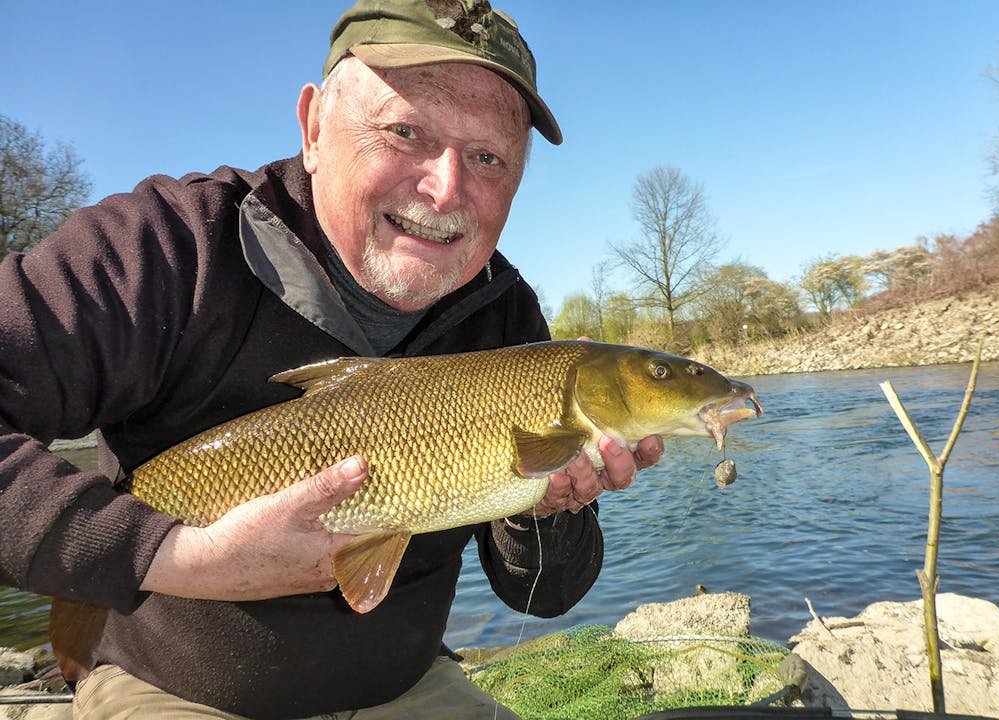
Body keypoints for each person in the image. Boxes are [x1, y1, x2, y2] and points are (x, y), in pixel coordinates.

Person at [0, 1, 664, 718]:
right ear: (314, 129)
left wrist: (545, 506)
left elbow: (546, 594)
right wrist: (173, 557)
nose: (445, 189)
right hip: (175, 689)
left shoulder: (507, 319)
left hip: (405, 685)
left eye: (488, 157)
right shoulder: (163, 248)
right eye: (405, 131)